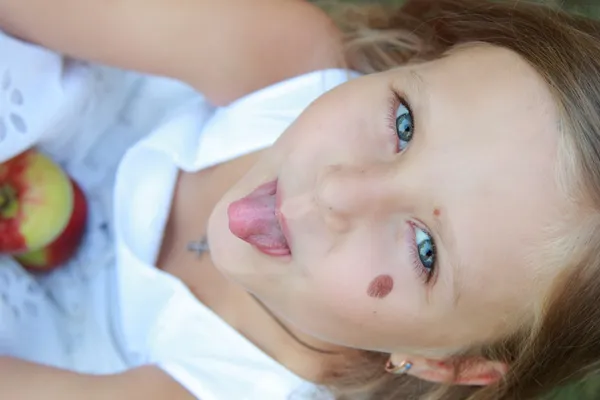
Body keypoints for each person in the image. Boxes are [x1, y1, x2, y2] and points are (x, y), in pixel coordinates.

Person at [1, 0, 600, 399]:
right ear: (426, 61)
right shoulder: (277, 59)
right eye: (406, 124)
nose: (339, 189)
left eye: (424, 250)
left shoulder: (225, 387)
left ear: (444, 361)